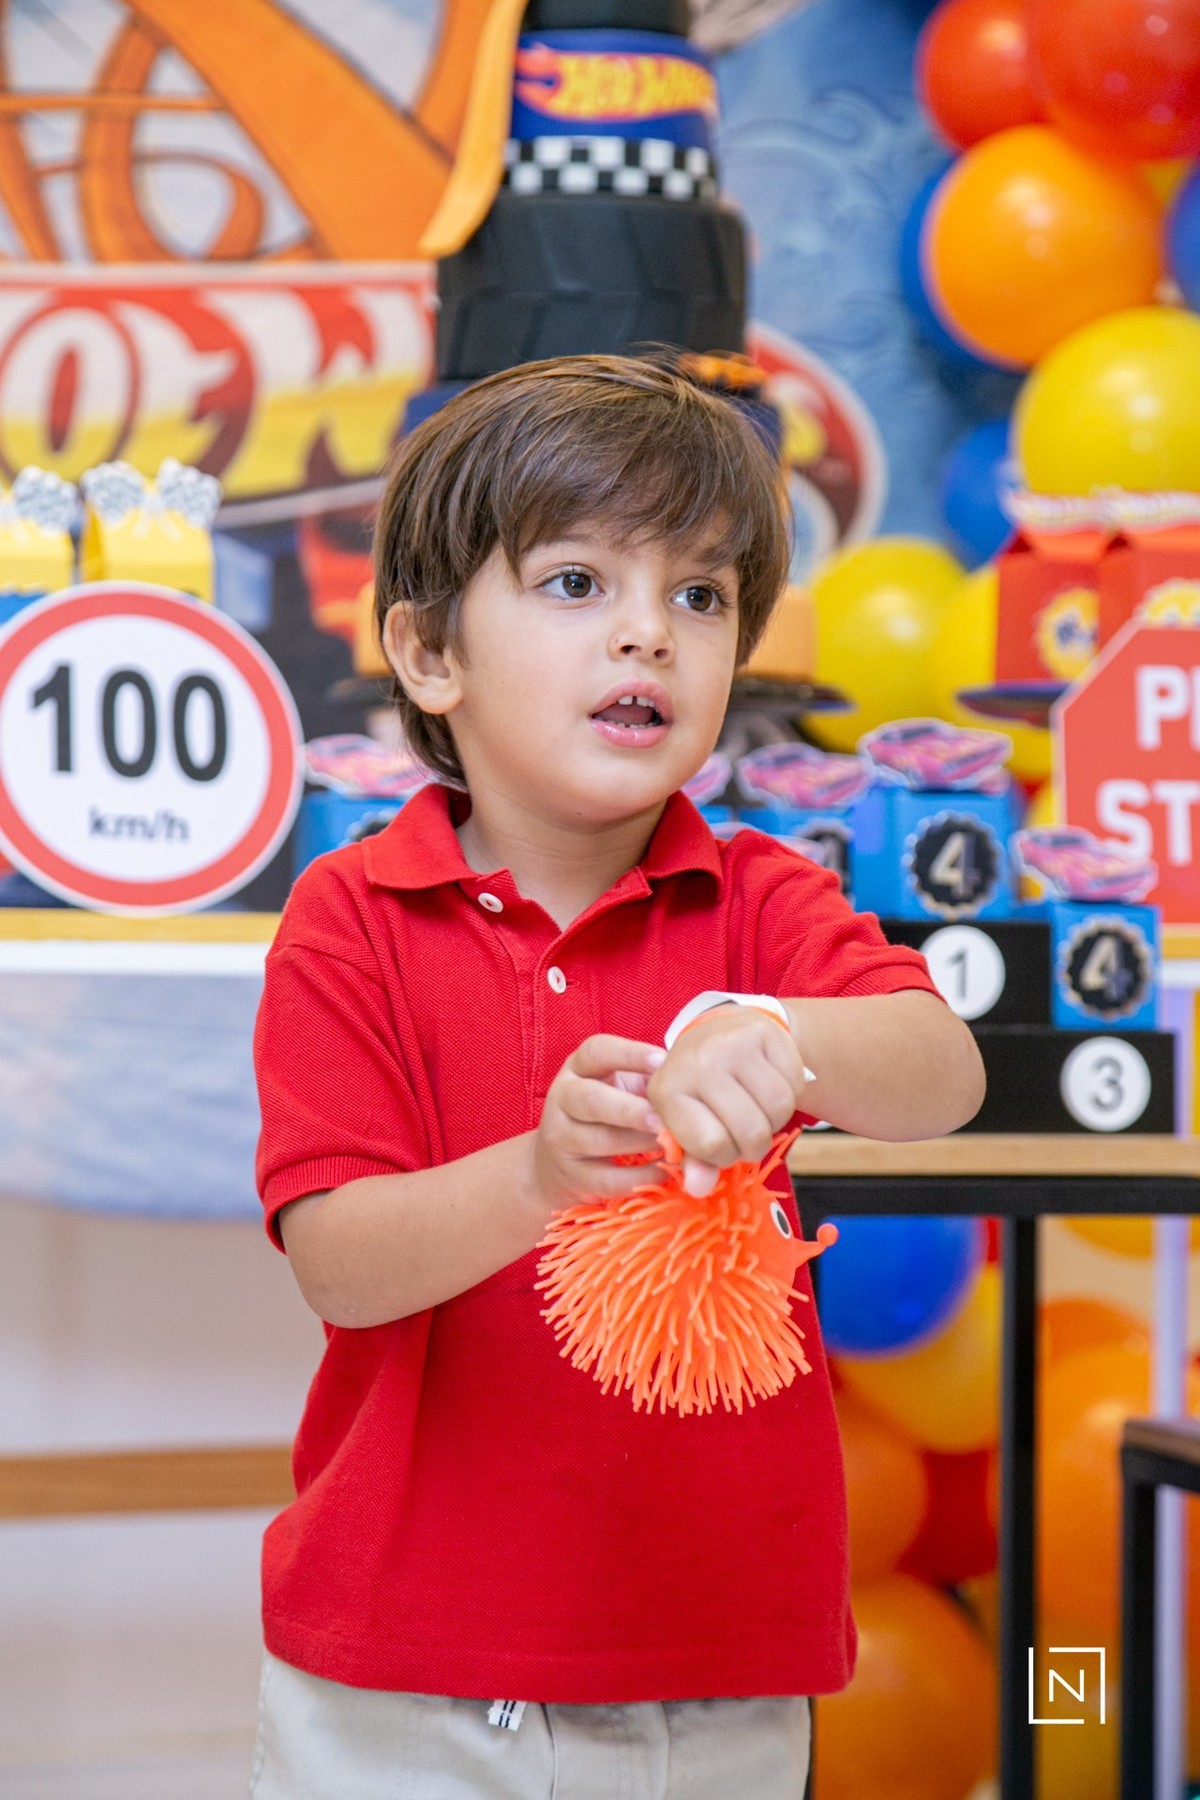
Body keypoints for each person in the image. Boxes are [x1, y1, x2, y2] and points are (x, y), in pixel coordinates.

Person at [251, 354, 986, 1799]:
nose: (650, 632)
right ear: (430, 654)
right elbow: (339, 1262)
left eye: (700, 596)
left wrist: (779, 1034)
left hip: (716, 1682)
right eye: (579, 583)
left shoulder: (763, 896)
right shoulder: (351, 917)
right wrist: (538, 1176)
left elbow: (942, 1073)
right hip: (404, 1679)